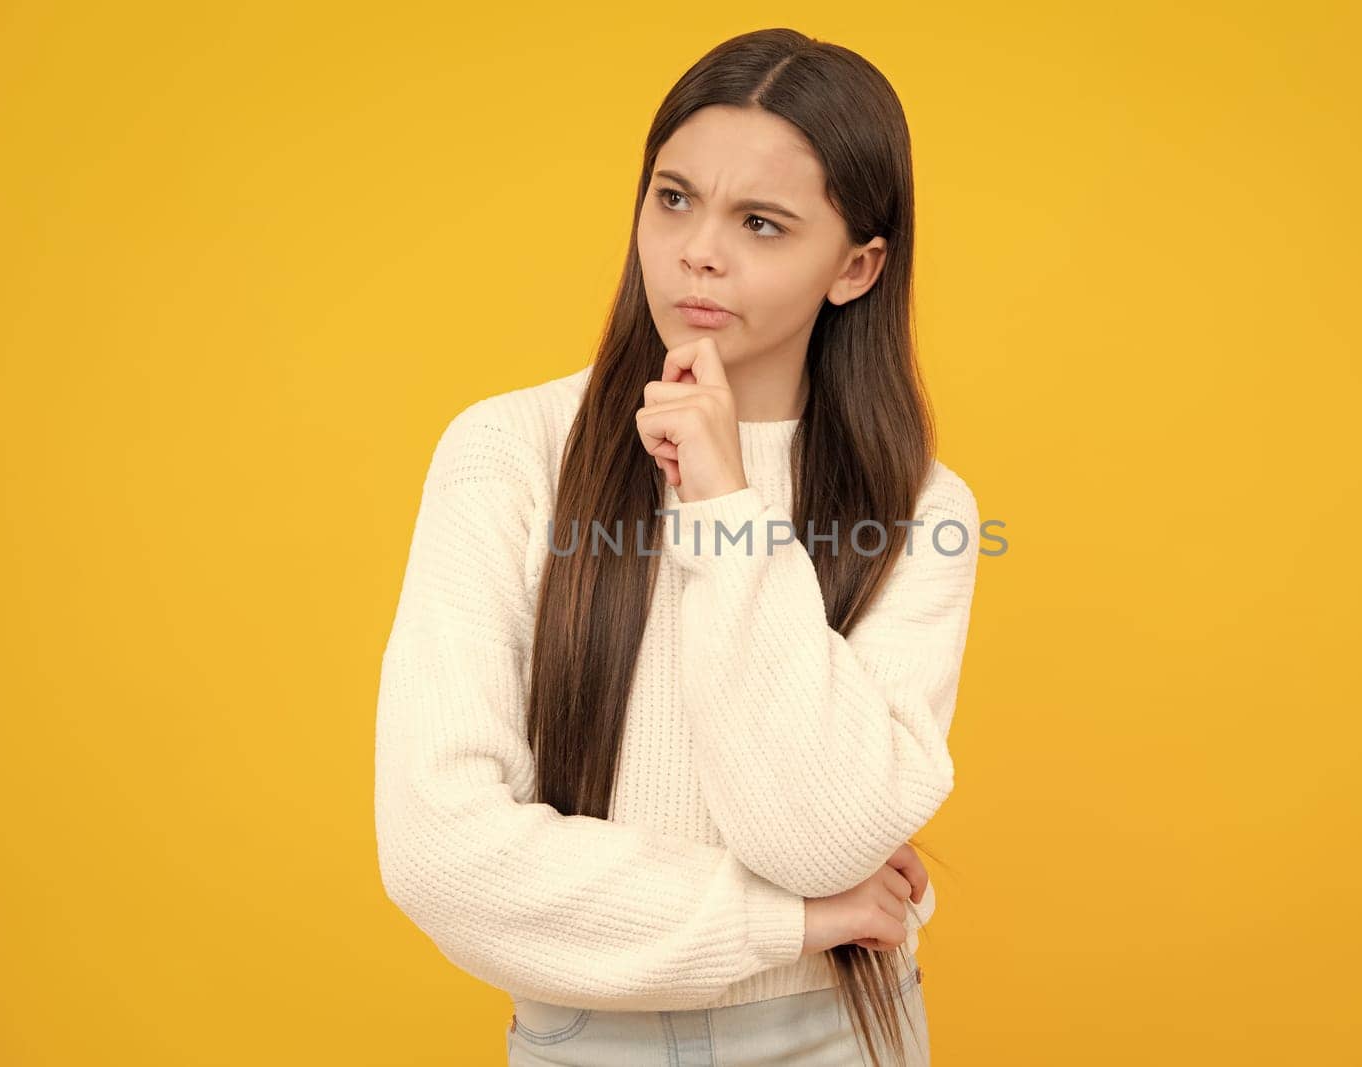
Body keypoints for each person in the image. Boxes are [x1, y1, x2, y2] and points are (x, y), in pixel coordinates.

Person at [374, 27, 982, 1066]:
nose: (698, 249)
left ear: (856, 265)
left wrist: (723, 505)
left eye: (760, 221)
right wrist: (791, 919)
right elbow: (441, 853)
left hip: (841, 1035)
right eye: (673, 197)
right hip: (587, 1040)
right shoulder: (509, 454)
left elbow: (818, 834)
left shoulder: (920, 506)